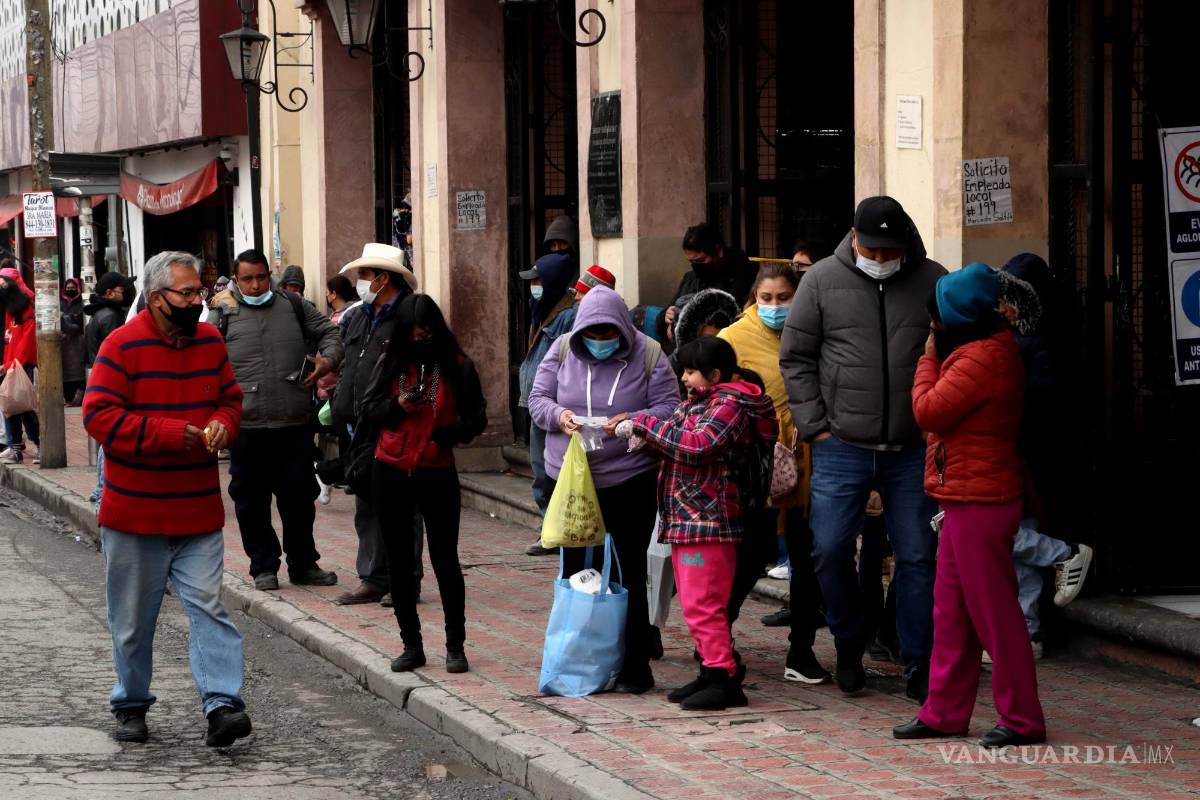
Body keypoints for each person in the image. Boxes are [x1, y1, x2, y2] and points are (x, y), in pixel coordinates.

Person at [779, 196, 945, 701]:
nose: (880, 255)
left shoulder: (933, 278)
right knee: (828, 549)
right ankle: (849, 645)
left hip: (911, 446)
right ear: (853, 238)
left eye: (889, 249)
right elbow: (797, 357)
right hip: (841, 444)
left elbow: (953, 352)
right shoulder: (822, 280)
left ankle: (920, 662)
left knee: (918, 556)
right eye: (871, 247)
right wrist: (816, 427)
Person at [83, 250, 250, 747]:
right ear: (157, 298)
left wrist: (224, 423)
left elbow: (231, 399)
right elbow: (99, 417)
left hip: (197, 510)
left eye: (199, 291)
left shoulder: (210, 342)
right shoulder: (121, 345)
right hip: (134, 513)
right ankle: (131, 703)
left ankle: (222, 704)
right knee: (133, 622)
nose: (197, 301)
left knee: (209, 608)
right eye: (186, 293)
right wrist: (168, 433)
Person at [894, 262, 1046, 749]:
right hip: (964, 495)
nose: (932, 325)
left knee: (995, 615)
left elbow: (928, 410)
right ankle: (943, 711)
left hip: (981, 499)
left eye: (936, 317)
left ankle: (1022, 719)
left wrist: (926, 359)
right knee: (952, 614)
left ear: (956, 317)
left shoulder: (981, 357)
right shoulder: (983, 348)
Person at [528, 285, 680, 693]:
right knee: (577, 569)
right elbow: (537, 398)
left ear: (623, 331)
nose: (599, 342)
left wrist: (634, 420)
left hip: (630, 477)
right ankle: (581, 659)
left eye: (607, 334)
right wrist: (560, 416)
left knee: (630, 569)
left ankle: (634, 664)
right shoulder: (560, 350)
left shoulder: (649, 354)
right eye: (591, 336)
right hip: (573, 481)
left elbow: (670, 406)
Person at [616, 337, 776, 710]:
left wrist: (641, 422)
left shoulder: (731, 405)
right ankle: (712, 670)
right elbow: (673, 438)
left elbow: (698, 445)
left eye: (689, 371)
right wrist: (637, 431)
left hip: (711, 519)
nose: (684, 378)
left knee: (705, 604)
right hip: (689, 518)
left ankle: (723, 678)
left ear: (714, 374)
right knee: (695, 603)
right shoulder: (702, 402)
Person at [361, 293, 487, 674]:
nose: (421, 341)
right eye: (414, 336)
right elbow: (366, 412)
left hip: (436, 469)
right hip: (391, 468)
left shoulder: (459, 367)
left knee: (445, 560)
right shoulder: (389, 364)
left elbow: (476, 419)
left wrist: (445, 435)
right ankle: (411, 644)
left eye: (427, 335)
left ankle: (455, 646)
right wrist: (397, 406)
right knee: (399, 563)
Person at [719, 262, 829, 684]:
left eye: (784, 298)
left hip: (812, 464)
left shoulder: (814, 333)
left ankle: (801, 652)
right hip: (757, 469)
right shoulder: (733, 339)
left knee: (810, 561)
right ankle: (716, 635)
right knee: (750, 557)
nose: (775, 307)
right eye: (766, 299)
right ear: (753, 298)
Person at [213, 249, 343, 592]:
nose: (256, 285)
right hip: (246, 426)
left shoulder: (294, 305)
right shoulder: (221, 313)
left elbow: (331, 333)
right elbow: (202, 357)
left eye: (261, 277)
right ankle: (263, 568)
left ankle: (303, 564)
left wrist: (327, 361)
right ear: (235, 279)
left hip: (293, 422)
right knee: (251, 501)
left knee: (299, 498)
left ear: (269, 275)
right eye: (247, 279)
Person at [996, 253, 1092, 658]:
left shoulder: (1036, 339)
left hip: (1026, 452)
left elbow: (1045, 391)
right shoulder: (1018, 336)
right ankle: (1028, 629)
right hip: (1020, 451)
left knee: (1004, 533)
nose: (1004, 306)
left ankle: (1031, 623)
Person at [330, 243, 419, 606]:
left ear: (383, 279)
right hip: (360, 426)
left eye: (365, 276)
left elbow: (429, 373)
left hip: (397, 426)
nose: (361, 283)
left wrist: (410, 404)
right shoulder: (362, 316)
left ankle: (404, 581)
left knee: (402, 508)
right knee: (366, 502)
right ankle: (374, 577)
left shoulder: (413, 316)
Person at [518, 253, 579, 556]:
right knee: (540, 471)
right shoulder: (542, 309)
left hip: (556, 407)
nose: (534, 286)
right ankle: (549, 527)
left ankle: (555, 531)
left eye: (539, 280)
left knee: (550, 471)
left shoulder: (569, 313)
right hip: (538, 404)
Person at [84, 271, 134, 504]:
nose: (125, 294)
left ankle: (101, 488)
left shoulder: (100, 314)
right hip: (110, 380)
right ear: (109, 292)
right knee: (110, 438)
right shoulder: (110, 317)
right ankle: (103, 489)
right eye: (122, 290)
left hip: (99, 376)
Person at [663, 223, 756, 342]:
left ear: (719, 251)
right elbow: (670, 308)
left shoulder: (743, 279)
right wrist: (667, 315)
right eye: (691, 261)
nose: (695, 266)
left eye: (700, 260)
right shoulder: (690, 278)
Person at [0, 266, 39, 464]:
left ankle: (39, 443)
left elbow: (26, 340)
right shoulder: (10, 309)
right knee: (10, 405)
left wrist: (14, 363)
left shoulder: (25, 308)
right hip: (11, 365)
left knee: (23, 406)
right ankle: (14, 447)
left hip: (21, 365)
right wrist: (6, 363)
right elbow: (9, 338)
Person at [669, 288, 741, 374]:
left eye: (721, 338)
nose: (714, 345)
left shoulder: (734, 363)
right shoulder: (671, 368)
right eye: (707, 339)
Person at [61, 277, 86, 405]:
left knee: (77, 372)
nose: (70, 290)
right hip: (64, 343)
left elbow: (79, 320)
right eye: (68, 288)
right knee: (66, 373)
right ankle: (69, 398)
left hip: (77, 343)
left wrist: (65, 318)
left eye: (73, 287)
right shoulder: (61, 302)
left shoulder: (81, 302)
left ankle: (76, 397)